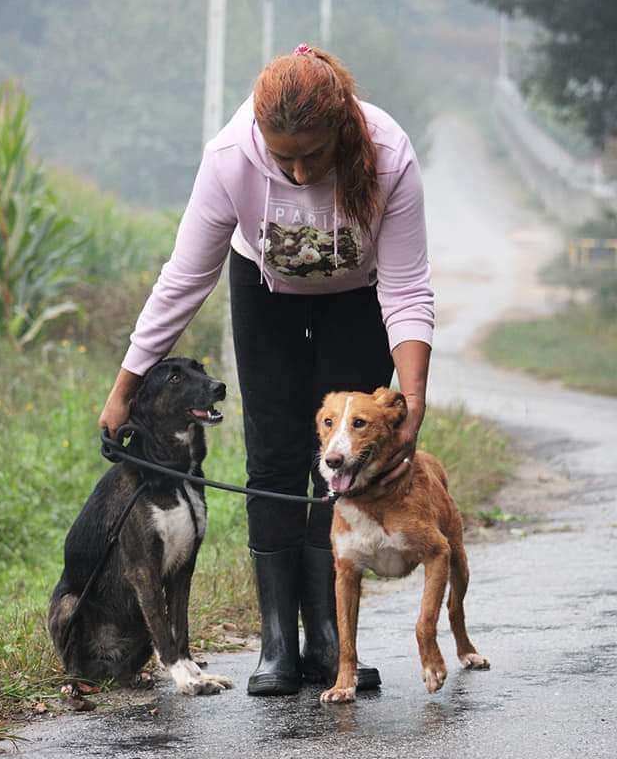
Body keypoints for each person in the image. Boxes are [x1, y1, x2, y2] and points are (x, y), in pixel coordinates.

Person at [100, 44, 434, 697]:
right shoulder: (231, 158)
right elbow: (183, 281)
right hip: (266, 300)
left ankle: (331, 640)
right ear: (259, 135)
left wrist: (413, 395)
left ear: (342, 128)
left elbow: (406, 286)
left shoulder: (389, 155)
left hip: (359, 305)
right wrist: (124, 388)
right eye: (285, 158)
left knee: (342, 459)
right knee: (274, 457)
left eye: (314, 154)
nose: (301, 172)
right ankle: (279, 643)